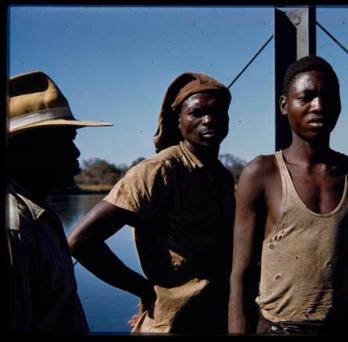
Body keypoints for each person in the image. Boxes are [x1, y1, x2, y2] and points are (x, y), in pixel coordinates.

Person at [68, 72, 235, 333]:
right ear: (178, 121)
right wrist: (143, 289)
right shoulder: (157, 171)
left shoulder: (223, 177)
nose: (209, 120)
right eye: (197, 112)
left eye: (218, 113)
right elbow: (81, 241)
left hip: (215, 322)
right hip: (170, 326)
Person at [228, 56, 348, 335]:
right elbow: (241, 274)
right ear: (284, 105)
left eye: (328, 97)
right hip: (278, 329)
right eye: (307, 97)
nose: (319, 106)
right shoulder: (262, 173)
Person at [6, 70, 112, 333]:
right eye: (62, 141)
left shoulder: (37, 214)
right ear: (20, 150)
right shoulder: (14, 227)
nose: (76, 152)